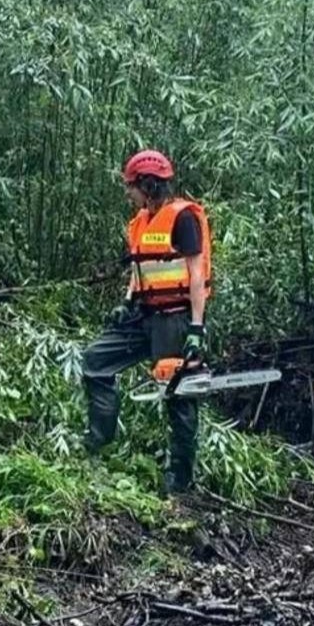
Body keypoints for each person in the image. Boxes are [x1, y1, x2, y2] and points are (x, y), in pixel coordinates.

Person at [81, 149, 212, 496]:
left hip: (176, 318)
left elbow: (196, 273)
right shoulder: (140, 221)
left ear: (148, 184)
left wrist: (196, 329)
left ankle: (180, 481)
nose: (128, 193)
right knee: (96, 360)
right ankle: (98, 443)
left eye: (131, 187)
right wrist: (127, 303)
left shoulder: (183, 218)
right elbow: (141, 269)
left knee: (178, 393)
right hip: (144, 315)